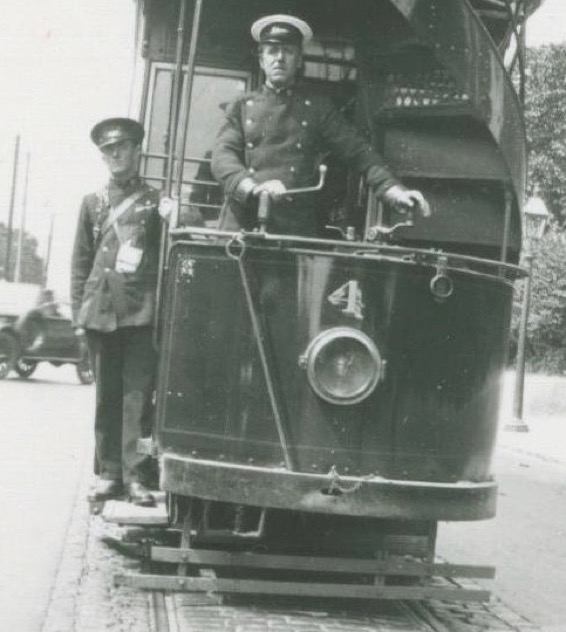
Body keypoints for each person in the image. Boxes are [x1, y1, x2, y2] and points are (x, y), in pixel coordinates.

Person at [211, 14, 430, 236]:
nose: (279, 58)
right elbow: (222, 157)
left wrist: (394, 190)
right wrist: (253, 189)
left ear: (298, 61)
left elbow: (359, 153)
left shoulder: (317, 109)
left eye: (288, 51)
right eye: (272, 51)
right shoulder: (240, 106)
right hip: (241, 227)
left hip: (292, 231)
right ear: (261, 60)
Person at [71, 117, 161, 507]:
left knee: (138, 399)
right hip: (100, 312)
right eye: (108, 150)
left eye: (122, 147)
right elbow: (80, 263)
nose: (115, 155)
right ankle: (109, 473)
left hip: (140, 313)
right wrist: (79, 315)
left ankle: (136, 476)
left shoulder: (156, 202)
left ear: (137, 150)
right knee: (107, 396)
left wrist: (179, 213)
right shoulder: (93, 203)